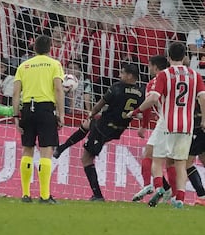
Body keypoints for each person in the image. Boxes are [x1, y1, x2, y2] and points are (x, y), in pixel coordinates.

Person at [129, 42, 205, 208]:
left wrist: (136, 111)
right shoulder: (195, 75)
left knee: (157, 159)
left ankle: (158, 187)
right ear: (185, 57)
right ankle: (180, 199)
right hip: (187, 125)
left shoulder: (164, 75)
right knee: (180, 164)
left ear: (169, 57)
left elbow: (154, 98)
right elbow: (203, 97)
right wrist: (204, 119)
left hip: (167, 123)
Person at [54, 64, 144, 201]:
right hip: (118, 128)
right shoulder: (140, 92)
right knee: (87, 124)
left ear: (130, 76)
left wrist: (91, 113)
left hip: (104, 127)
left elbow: (99, 105)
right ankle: (61, 148)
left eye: (122, 73)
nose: (120, 76)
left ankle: (97, 195)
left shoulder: (116, 88)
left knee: (86, 159)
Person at [13, 35, 65, 204]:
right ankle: (44, 195)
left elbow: (15, 93)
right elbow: (58, 89)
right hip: (45, 109)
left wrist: (15, 116)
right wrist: (61, 113)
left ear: (34, 48)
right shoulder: (54, 64)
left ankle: (26, 194)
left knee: (27, 149)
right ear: (50, 48)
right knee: (46, 150)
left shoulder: (23, 66)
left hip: (28, 108)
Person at [131, 55, 173, 202]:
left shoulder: (154, 82)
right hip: (184, 122)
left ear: (155, 67)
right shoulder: (175, 78)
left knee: (149, 155)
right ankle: (171, 193)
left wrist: (143, 126)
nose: (149, 69)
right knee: (173, 161)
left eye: (149, 66)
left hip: (165, 121)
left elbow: (149, 104)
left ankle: (152, 186)